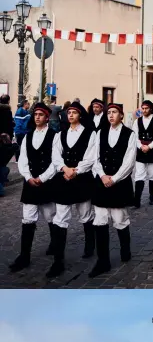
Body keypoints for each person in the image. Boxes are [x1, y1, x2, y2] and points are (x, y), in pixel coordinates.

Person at [47, 102, 96, 278]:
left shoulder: (90, 134)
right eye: (69, 113)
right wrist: (64, 169)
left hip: (82, 179)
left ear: (80, 115)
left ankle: (90, 245)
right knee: (60, 218)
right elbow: (55, 154)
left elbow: (91, 157)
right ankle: (58, 261)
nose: (71, 115)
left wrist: (76, 171)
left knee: (85, 214)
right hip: (64, 179)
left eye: (74, 112)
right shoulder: (60, 134)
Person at [89, 103, 136, 277]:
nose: (111, 115)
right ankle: (103, 261)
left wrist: (114, 178)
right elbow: (96, 158)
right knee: (99, 220)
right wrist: (102, 176)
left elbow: (129, 161)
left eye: (114, 112)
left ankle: (125, 250)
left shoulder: (130, 135)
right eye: (108, 112)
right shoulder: (100, 133)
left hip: (120, 183)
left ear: (121, 115)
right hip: (102, 182)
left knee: (120, 219)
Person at [9, 103, 56, 272]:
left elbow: (56, 161)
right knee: (28, 219)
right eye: (35, 114)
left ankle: (55, 246)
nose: (37, 117)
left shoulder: (54, 136)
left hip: (47, 182)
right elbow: (22, 160)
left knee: (51, 215)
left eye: (40, 115)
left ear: (47, 117)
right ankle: (24, 256)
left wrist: (43, 178)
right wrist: (28, 177)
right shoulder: (28, 137)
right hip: (30, 184)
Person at [132, 100, 153, 208]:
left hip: (152, 150)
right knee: (139, 174)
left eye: (146, 108)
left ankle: (152, 197)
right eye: (142, 108)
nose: (144, 110)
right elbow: (134, 136)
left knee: (152, 174)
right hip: (141, 151)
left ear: (150, 109)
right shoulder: (137, 121)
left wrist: (149, 147)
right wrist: (141, 146)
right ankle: (137, 199)